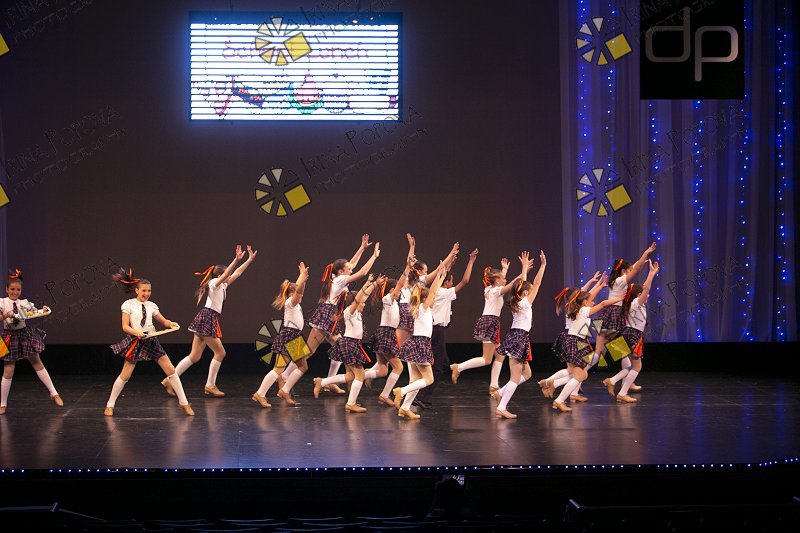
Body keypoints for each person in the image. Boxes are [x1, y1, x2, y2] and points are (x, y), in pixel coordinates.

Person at [164, 245, 257, 398]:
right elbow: (228, 273)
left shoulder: (223, 285)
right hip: (207, 317)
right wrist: (236, 259)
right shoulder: (214, 283)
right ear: (220, 275)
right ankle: (210, 385)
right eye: (226, 274)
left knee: (194, 356)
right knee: (220, 353)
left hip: (208, 318)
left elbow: (237, 273)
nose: (229, 276)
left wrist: (249, 260)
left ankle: (169, 380)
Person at [106, 268, 193, 416]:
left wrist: (170, 323)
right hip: (136, 340)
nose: (146, 293)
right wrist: (136, 332)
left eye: (149, 291)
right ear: (137, 290)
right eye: (144, 291)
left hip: (151, 340)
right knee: (125, 375)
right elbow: (125, 326)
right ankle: (110, 405)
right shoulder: (128, 304)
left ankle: (183, 402)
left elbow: (163, 321)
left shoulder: (152, 305)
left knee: (171, 370)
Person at [305, 235, 378, 395]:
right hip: (326, 317)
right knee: (307, 351)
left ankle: (330, 382)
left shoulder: (337, 277)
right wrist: (374, 256)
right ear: (341, 271)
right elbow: (363, 272)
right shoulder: (340, 280)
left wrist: (362, 248)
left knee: (341, 348)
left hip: (330, 317)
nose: (351, 269)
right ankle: (283, 374)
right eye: (348, 269)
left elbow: (352, 264)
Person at [413, 248, 478, 409]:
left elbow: (442, 276)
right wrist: (471, 262)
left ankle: (421, 395)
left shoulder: (438, 291)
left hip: (433, 330)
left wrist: (449, 265)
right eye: (450, 281)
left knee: (442, 363)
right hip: (436, 331)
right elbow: (465, 281)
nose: (452, 284)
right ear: (447, 283)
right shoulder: (444, 293)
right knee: (439, 365)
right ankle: (422, 396)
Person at [314, 275, 384, 412]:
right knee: (360, 375)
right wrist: (374, 283)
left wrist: (371, 285)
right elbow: (359, 298)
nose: (364, 304)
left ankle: (322, 382)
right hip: (349, 344)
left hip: (352, 344)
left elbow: (363, 296)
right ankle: (350, 404)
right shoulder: (350, 312)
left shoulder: (356, 312)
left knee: (351, 376)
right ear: (354, 303)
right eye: (361, 303)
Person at [552, 288, 624, 412]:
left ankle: (555, 389)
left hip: (575, 341)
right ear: (584, 302)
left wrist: (598, 285)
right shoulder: (583, 310)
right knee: (579, 375)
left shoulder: (577, 308)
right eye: (591, 300)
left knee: (582, 374)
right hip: (575, 342)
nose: (594, 302)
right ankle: (557, 397)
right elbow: (603, 304)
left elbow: (588, 296)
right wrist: (619, 298)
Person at [0, 270, 61, 415]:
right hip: (9, 336)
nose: (15, 292)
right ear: (7, 289)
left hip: (24, 334)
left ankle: (54, 393)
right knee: (8, 369)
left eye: (18, 289)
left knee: (37, 362)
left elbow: (34, 312)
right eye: (12, 289)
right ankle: (2, 403)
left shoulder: (24, 303)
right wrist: (6, 315)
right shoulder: (2, 302)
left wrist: (43, 310)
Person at [392, 263, 448, 419]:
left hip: (414, 343)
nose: (433, 299)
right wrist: (440, 276)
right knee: (428, 379)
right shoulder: (423, 308)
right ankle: (401, 391)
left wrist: (441, 277)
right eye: (431, 298)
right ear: (425, 299)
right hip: (420, 344)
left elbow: (433, 292)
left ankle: (405, 408)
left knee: (416, 380)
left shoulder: (418, 308)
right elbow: (433, 291)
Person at [494, 251, 545, 419]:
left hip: (518, 337)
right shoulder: (525, 303)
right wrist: (543, 266)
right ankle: (501, 407)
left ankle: (500, 392)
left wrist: (524, 268)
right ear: (526, 293)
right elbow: (536, 283)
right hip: (519, 338)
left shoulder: (517, 300)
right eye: (529, 291)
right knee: (515, 378)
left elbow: (521, 284)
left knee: (527, 374)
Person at [252, 262, 309, 408]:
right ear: (292, 293)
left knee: (303, 366)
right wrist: (303, 278)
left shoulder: (294, 303)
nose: (301, 295)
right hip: (289, 336)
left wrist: (302, 277)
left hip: (295, 336)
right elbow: (299, 291)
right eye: (298, 293)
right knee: (279, 368)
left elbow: (298, 290)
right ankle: (260, 393)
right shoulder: (291, 302)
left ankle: (284, 390)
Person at [603, 260, 659, 403]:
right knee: (637, 366)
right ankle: (622, 392)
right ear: (639, 295)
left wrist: (651, 273)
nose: (647, 296)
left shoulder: (632, 303)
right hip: (632, 335)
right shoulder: (636, 303)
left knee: (631, 366)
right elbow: (646, 289)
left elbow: (644, 289)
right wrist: (651, 274)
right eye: (643, 294)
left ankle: (612, 381)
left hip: (627, 334)